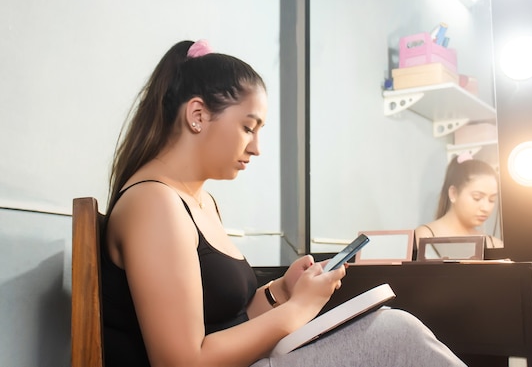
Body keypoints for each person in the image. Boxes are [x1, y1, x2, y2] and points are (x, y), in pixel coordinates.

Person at [101, 39, 467, 367]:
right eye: (248, 127)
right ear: (197, 115)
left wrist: (282, 291)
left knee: (392, 331)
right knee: (393, 333)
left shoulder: (200, 202)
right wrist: (299, 308)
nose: (256, 148)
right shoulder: (154, 203)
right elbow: (182, 361)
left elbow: (230, 322)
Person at [415, 153, 503, 249]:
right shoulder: (425, 236)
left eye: (492, 200)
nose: (486, 208)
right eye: (477, 198)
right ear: (453, 193)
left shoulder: (494, 244)